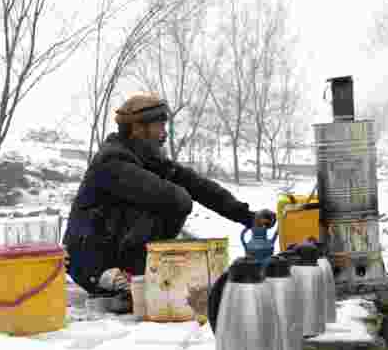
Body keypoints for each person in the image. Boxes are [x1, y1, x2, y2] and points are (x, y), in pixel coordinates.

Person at [63, 93, 275, 310]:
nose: (164, 135)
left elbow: (199, 186)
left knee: (175, 196)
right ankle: (128, 276)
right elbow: (175, 198)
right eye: (159, 127)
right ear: (138, 129)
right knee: (173, 200)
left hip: (112, 251)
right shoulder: (113, 162)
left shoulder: (148, 159)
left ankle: (139, 274)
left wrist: (247, 217)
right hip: (90, 264)